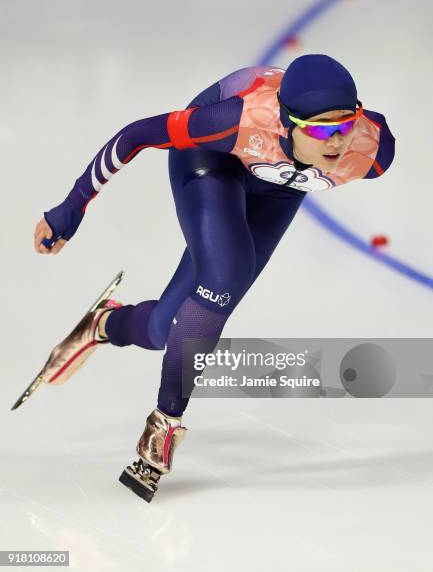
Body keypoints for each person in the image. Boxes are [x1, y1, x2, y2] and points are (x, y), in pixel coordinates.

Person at [32, 54, 396, 502]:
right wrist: (72, 206)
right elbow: (135, 136)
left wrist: (336, 131)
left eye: (346, 124)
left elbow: (345, 135)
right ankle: (163, 427)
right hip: (212, 161)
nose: (338, 140)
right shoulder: (232, 122)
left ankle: (105, 323)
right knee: (225, 275)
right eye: (321, 128)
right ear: (288, 121)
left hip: (278, 186)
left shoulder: (373, 150)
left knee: (165, 330)